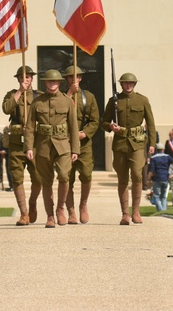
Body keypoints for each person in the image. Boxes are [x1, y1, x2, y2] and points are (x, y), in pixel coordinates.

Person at [24, 69, 78, 228]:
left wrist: (75, 149)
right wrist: (29, 147)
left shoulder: (67, 101)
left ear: (60, 83)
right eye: (49, 81)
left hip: (62, 146)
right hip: (43, 146)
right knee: (46, 181)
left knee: (63, 176)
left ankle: (61, 208)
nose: (52, 84)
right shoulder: (37, 102)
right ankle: (49, 215)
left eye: (55, 81)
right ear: (45, 83)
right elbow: (29, 127)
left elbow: (73, 127)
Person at [103, 72, 156, 225]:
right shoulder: (113, 101)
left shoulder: (142, 100)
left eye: (131, 83)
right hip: (120, 143)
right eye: (125, 83)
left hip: (137, 143)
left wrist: (152, 143)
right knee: (122, 178)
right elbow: (104, 122)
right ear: (121, 84)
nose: (128, 85)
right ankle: (125, 214)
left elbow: (151, 123)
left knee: (137, 175)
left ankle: (136, 212)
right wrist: (110, 126)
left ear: (134, 84)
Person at [2, 65, 42, 225]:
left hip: (35, 143)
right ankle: (24, 213)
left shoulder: (40, 96)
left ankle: (32, 202)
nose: (25, 80)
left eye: (28, 77)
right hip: (17, 143)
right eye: (22, 77)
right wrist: (19, 92)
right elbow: (6, 109)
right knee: (17, 178)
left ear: (32, 78)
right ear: (18, 79)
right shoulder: (12, 95)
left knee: (38, 178)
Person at [63, 64, 100, 224]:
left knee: (86, 174)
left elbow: (95, 120)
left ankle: (83, 204)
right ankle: (70, 211)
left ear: (80, 78)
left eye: (76, 76)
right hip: (65, 143)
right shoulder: (60, 97)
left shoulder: (89, 97)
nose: (73, 79)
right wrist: (70, 94)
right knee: (66, 178)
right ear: (66, 79)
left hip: (83, 144)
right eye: (70, 77)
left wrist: (85, 133)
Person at [147, 145, 172, 212]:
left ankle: (161, 211)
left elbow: (151, 170)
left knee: (156, 196)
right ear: (163, 149)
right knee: (163, 196)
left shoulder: (153, 158)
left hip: (157, 178)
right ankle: (164, 210)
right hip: (165, 177)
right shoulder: (167, 156)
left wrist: (148, 179)